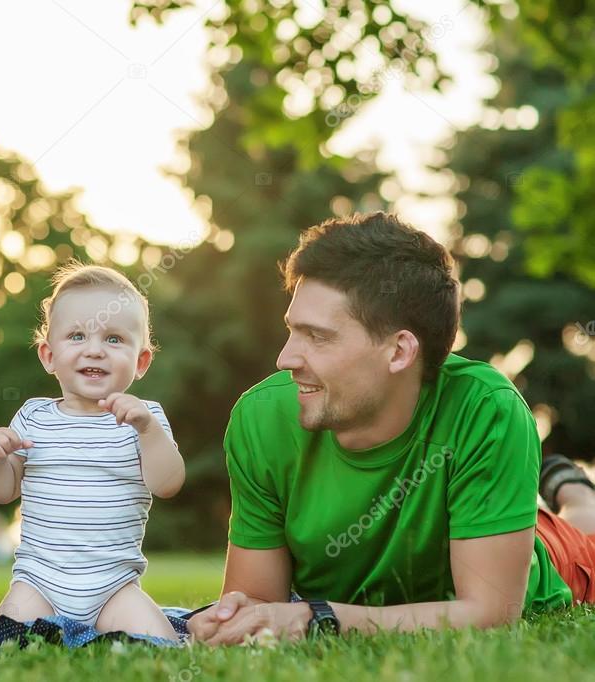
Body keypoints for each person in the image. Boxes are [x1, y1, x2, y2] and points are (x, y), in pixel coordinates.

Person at [190, 212, 595, 644]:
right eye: (292, 331)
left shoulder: (486, 409)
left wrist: (320, 618)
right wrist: (234, 619)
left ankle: (576, 491)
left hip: (537, 554)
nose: (286, 358)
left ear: (399, 351)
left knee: (584, 528)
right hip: (483, 515)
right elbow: (257, 604)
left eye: (318, 336)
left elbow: (491, 614)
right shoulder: (261, 419)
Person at [0, 264, 184, 638]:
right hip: (39, 583)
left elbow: (168, 483)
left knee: (160, 644)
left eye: (114, 339)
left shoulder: (144, 418)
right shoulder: (34, 416)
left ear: (141, 362)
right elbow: (3, 490)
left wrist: (148, 431)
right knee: (3, 641)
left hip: (114, 588)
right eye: (76, 336)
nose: (94, 350)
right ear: (49, 355)